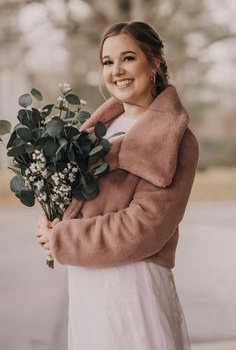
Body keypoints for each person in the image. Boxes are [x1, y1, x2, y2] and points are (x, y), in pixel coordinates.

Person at [36, 21, 199, 350]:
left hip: (133, 291)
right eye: (108, 62)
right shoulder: (94, 132)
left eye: (128, 58)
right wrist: (52, 223)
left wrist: (64, 238)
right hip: (88, 286)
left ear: (153, 63)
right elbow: (77, 201)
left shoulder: (175, 139)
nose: (117, 71)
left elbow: (146, 226)